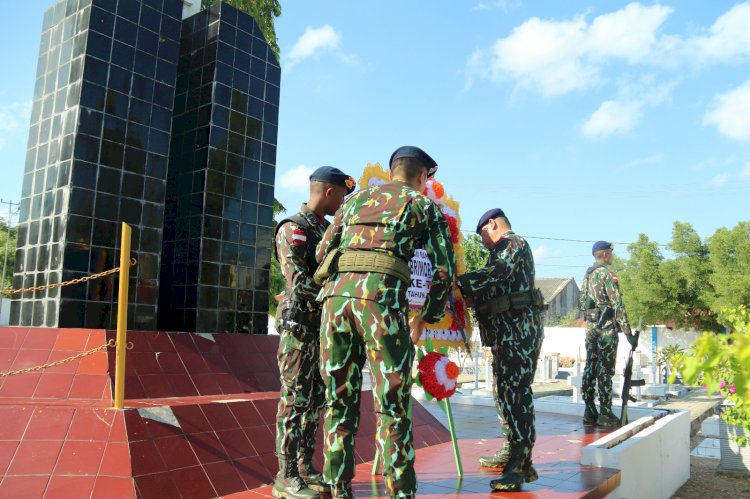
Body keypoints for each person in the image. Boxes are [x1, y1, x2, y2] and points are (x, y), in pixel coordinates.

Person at [315, 146, 455, 499]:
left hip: (335, 303)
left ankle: (337, 489)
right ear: (423, 177)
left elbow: (321, 253)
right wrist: (429, 315)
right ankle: (400, 493)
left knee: (338, 400)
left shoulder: (353, 201)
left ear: (393, 170)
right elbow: (442, 270)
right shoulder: (423, 205)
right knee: (391, 404)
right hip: (381, 303)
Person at [273, 166, 356, 499]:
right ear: (329, 192)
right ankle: (285, 474)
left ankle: (306, 468)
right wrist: (337, 292)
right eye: (342, 196)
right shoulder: (293, 228)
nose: (343, 204)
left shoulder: (327, 229)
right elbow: (299, 282)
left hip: (323, 330)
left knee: (315, 404)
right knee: (293, 402)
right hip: (300, 331)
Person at [455, 209, 544, 492]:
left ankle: (521, 465)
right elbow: (492, 289)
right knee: (504, 394)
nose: (482, 240)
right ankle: (512, 448)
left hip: (519, 333)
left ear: (492, 224)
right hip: (506, 335)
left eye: (482, 234)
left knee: (516, 394)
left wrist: (456, 282)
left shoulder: (513, 243)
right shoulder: (500, 250)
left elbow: (495, 275)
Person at [578, 241, 638, 427]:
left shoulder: (587, 275)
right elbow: (618, 304)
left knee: (590, 367)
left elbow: (582, 303)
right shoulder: (607, 275)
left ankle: (589, 410)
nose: (612, 256)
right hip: (606, 328)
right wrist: (628, 333)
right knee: (605, 369)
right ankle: (605, 412)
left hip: (591, 328)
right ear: (604, 254)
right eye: (610, 253)